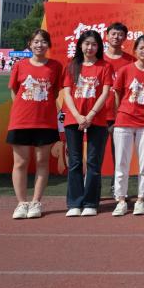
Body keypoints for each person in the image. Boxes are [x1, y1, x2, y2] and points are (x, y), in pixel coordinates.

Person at [7, 29, 63, 219]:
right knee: (20, 162)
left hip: (45, 121)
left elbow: (55, 92)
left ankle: (36, 202)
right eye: (36, 41)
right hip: (21, 121)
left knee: (42, 161)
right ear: (30, 44)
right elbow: (14, 91)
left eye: (43, 42)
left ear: (48, 45)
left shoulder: (55, 66)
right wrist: (23, 107)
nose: (40, 45)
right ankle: (21, 203)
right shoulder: (20, 65)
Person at [61, 30, 113, 216]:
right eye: (86, 43)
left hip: (97, 119)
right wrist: (77, 116)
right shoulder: (72, 66)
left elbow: (105, 93)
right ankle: (75, 203)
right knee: (75, 162)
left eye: (94, 44)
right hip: (73, 119)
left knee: (93, 161)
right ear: (80, 45)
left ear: (99, 47)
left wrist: (90, 115)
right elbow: (67, 93)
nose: (90, 47)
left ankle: (91, 202)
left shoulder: (105, 66)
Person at [111, 35, 144, 216]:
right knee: (121, 162)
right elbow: (117, 94)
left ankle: (141, 199)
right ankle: (121, 200)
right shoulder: (125, 70)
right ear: (135, 50)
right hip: (124, 121)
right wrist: (118, 114)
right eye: (141, 48)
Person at [103, 22, 134, 195]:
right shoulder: (98, 59)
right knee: (95, 154)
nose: (116, 37)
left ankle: (119, 187)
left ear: (125, 37)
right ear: (107, 36)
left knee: (121, 154)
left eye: (120, 34)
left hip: (122, 114)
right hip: (99, 114)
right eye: (113, 34)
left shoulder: (131, 61)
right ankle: (93, 188)